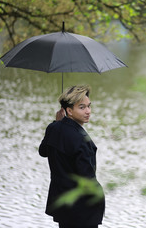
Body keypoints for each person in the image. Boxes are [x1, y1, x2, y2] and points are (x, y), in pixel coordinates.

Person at [39, 85, 105, 228]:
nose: (88, 111)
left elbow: (43, 151)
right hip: (81, 209)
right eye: (82, 107)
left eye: (89, 106)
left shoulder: (53, 128)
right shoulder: (82, 140)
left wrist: (57, 122)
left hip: (63, 204)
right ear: (69, 110)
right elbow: (87, 180)